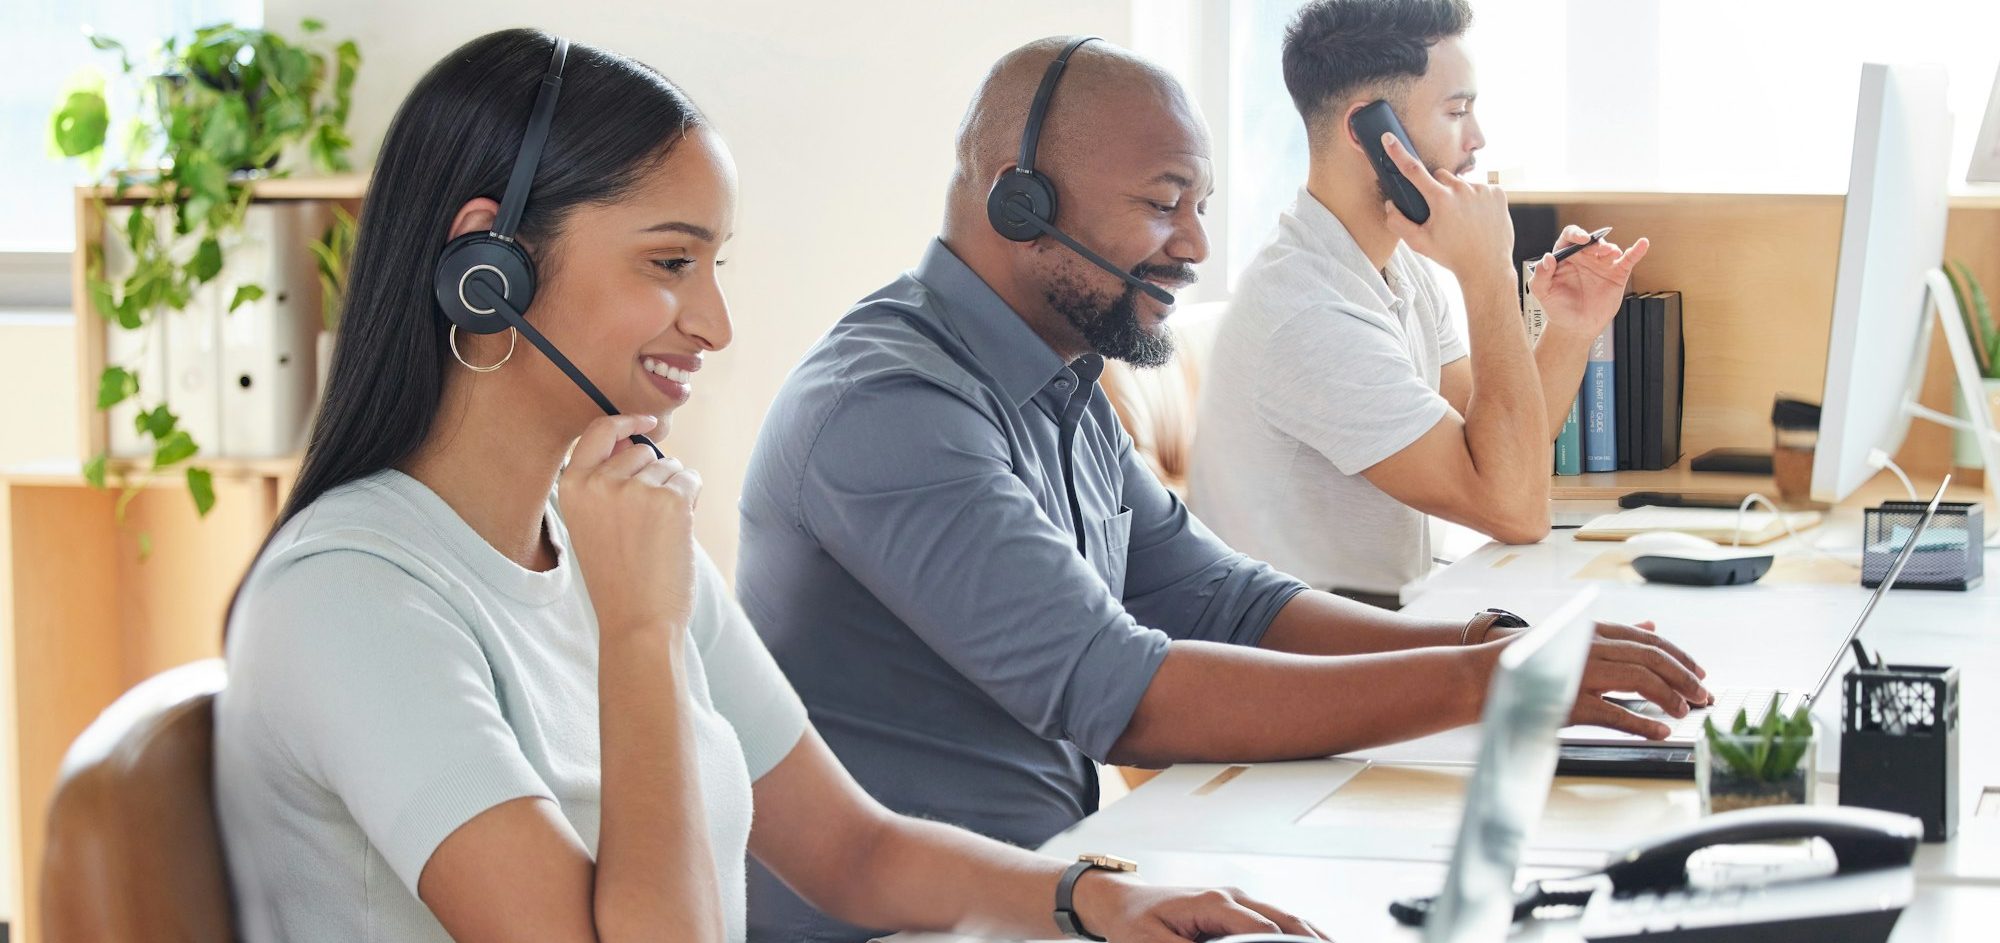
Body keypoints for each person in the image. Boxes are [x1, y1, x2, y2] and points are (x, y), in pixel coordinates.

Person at [213, 29, 1325, 943]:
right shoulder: (354, 599)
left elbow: (853, 849)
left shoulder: (608, 526)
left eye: (714, 265)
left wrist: (1092, 896)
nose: (714, 324)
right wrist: (639, 635)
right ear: (486, 266)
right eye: (667, 263)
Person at [738, 34, 1705, 943]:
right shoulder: (891, 409)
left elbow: (1225, 600)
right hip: (922, 921)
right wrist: (1488, 684)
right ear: (1018, 202)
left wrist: (1486, 643)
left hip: (1062, 885)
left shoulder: (1056, 375)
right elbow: (1124, 694)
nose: (1197, 246)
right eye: (1165, 203)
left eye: (1200, 204)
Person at [1189, 0, 1649, 607]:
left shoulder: (1390, 261)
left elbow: (1497, 451)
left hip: (1381, 631)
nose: (1478, 139)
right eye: (1457, 111)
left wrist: (1567, 329)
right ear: (1371, 132)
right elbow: (1513, 509)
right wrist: (1485, 274)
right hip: (1310, 670)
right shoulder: (1309, 314)